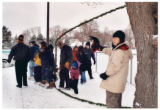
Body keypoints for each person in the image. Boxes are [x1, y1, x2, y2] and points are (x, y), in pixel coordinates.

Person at [99, 30, 133, 108]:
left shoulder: (119, 51)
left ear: (120, 39)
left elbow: (115, 66)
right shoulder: (123, 49)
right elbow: (112, 52)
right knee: (117, 105)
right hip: (118, 84)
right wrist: (102, 49)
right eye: (113, 38)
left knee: (112, 105)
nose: (113, 40)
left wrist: (106, 74)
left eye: (116, 38)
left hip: (113, 85)